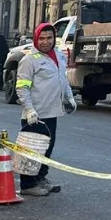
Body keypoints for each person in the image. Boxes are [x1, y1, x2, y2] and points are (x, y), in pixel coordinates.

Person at [15, 21, 77, 196]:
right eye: (41, 38)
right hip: (35, 114)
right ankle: (28, 185)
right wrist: (28, 109)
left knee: (47, 150)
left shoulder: (58, 56)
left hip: (52, 112)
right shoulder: (29, 60)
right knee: (31, 152)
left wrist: (69, 98)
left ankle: (41, 178)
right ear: (36, 39)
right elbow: (22, 87)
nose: (45, 42)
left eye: (49, 38)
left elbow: (62, 80)